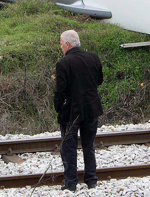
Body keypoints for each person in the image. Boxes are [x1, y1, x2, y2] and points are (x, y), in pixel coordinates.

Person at [54, 30, 104, 192]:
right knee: (89, 145)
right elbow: (99, 81)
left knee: (69, 147)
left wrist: (58, 107)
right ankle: (91, 180)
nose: (61, 47)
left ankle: (71, 183)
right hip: (91, 109)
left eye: (61, 44)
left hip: (71, 112)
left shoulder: (63, 63)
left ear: (67, 44)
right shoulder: (93, 58)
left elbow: (60, 91)